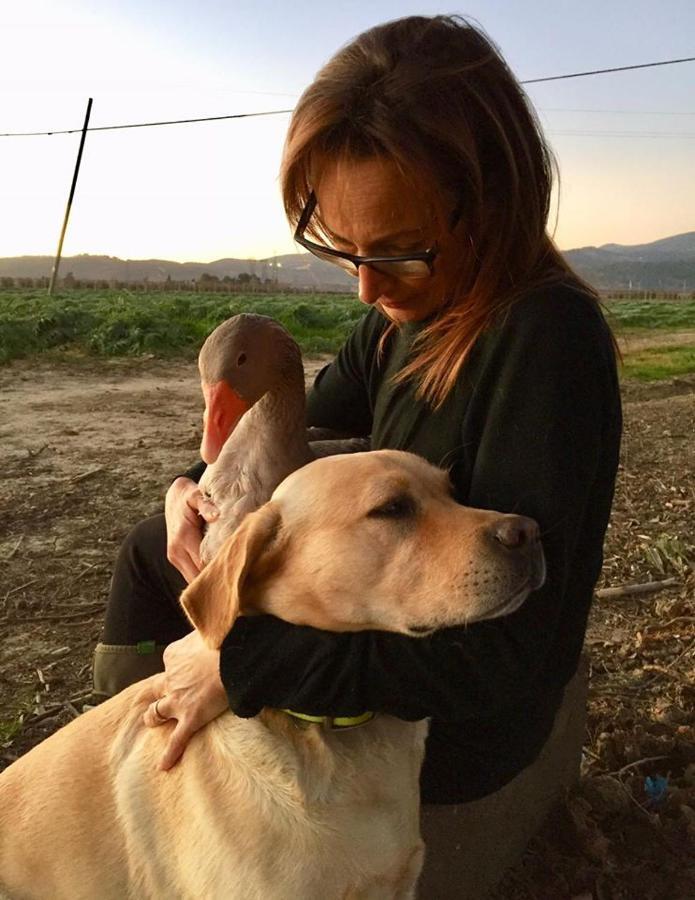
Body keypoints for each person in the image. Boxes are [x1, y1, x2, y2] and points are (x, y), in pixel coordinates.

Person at [93, 15, 622, 896]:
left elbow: (503, 660)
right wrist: (193, 487)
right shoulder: (403, 324)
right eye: (343, 253)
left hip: (452, 716)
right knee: (152, 548)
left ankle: (172, 789)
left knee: (216, 639)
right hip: (372, 630)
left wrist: (242, 664)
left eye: (399, 251)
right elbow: (283, 434)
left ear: (495, 198)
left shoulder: (544, 342)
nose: (370, 289)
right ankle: (138, 753)